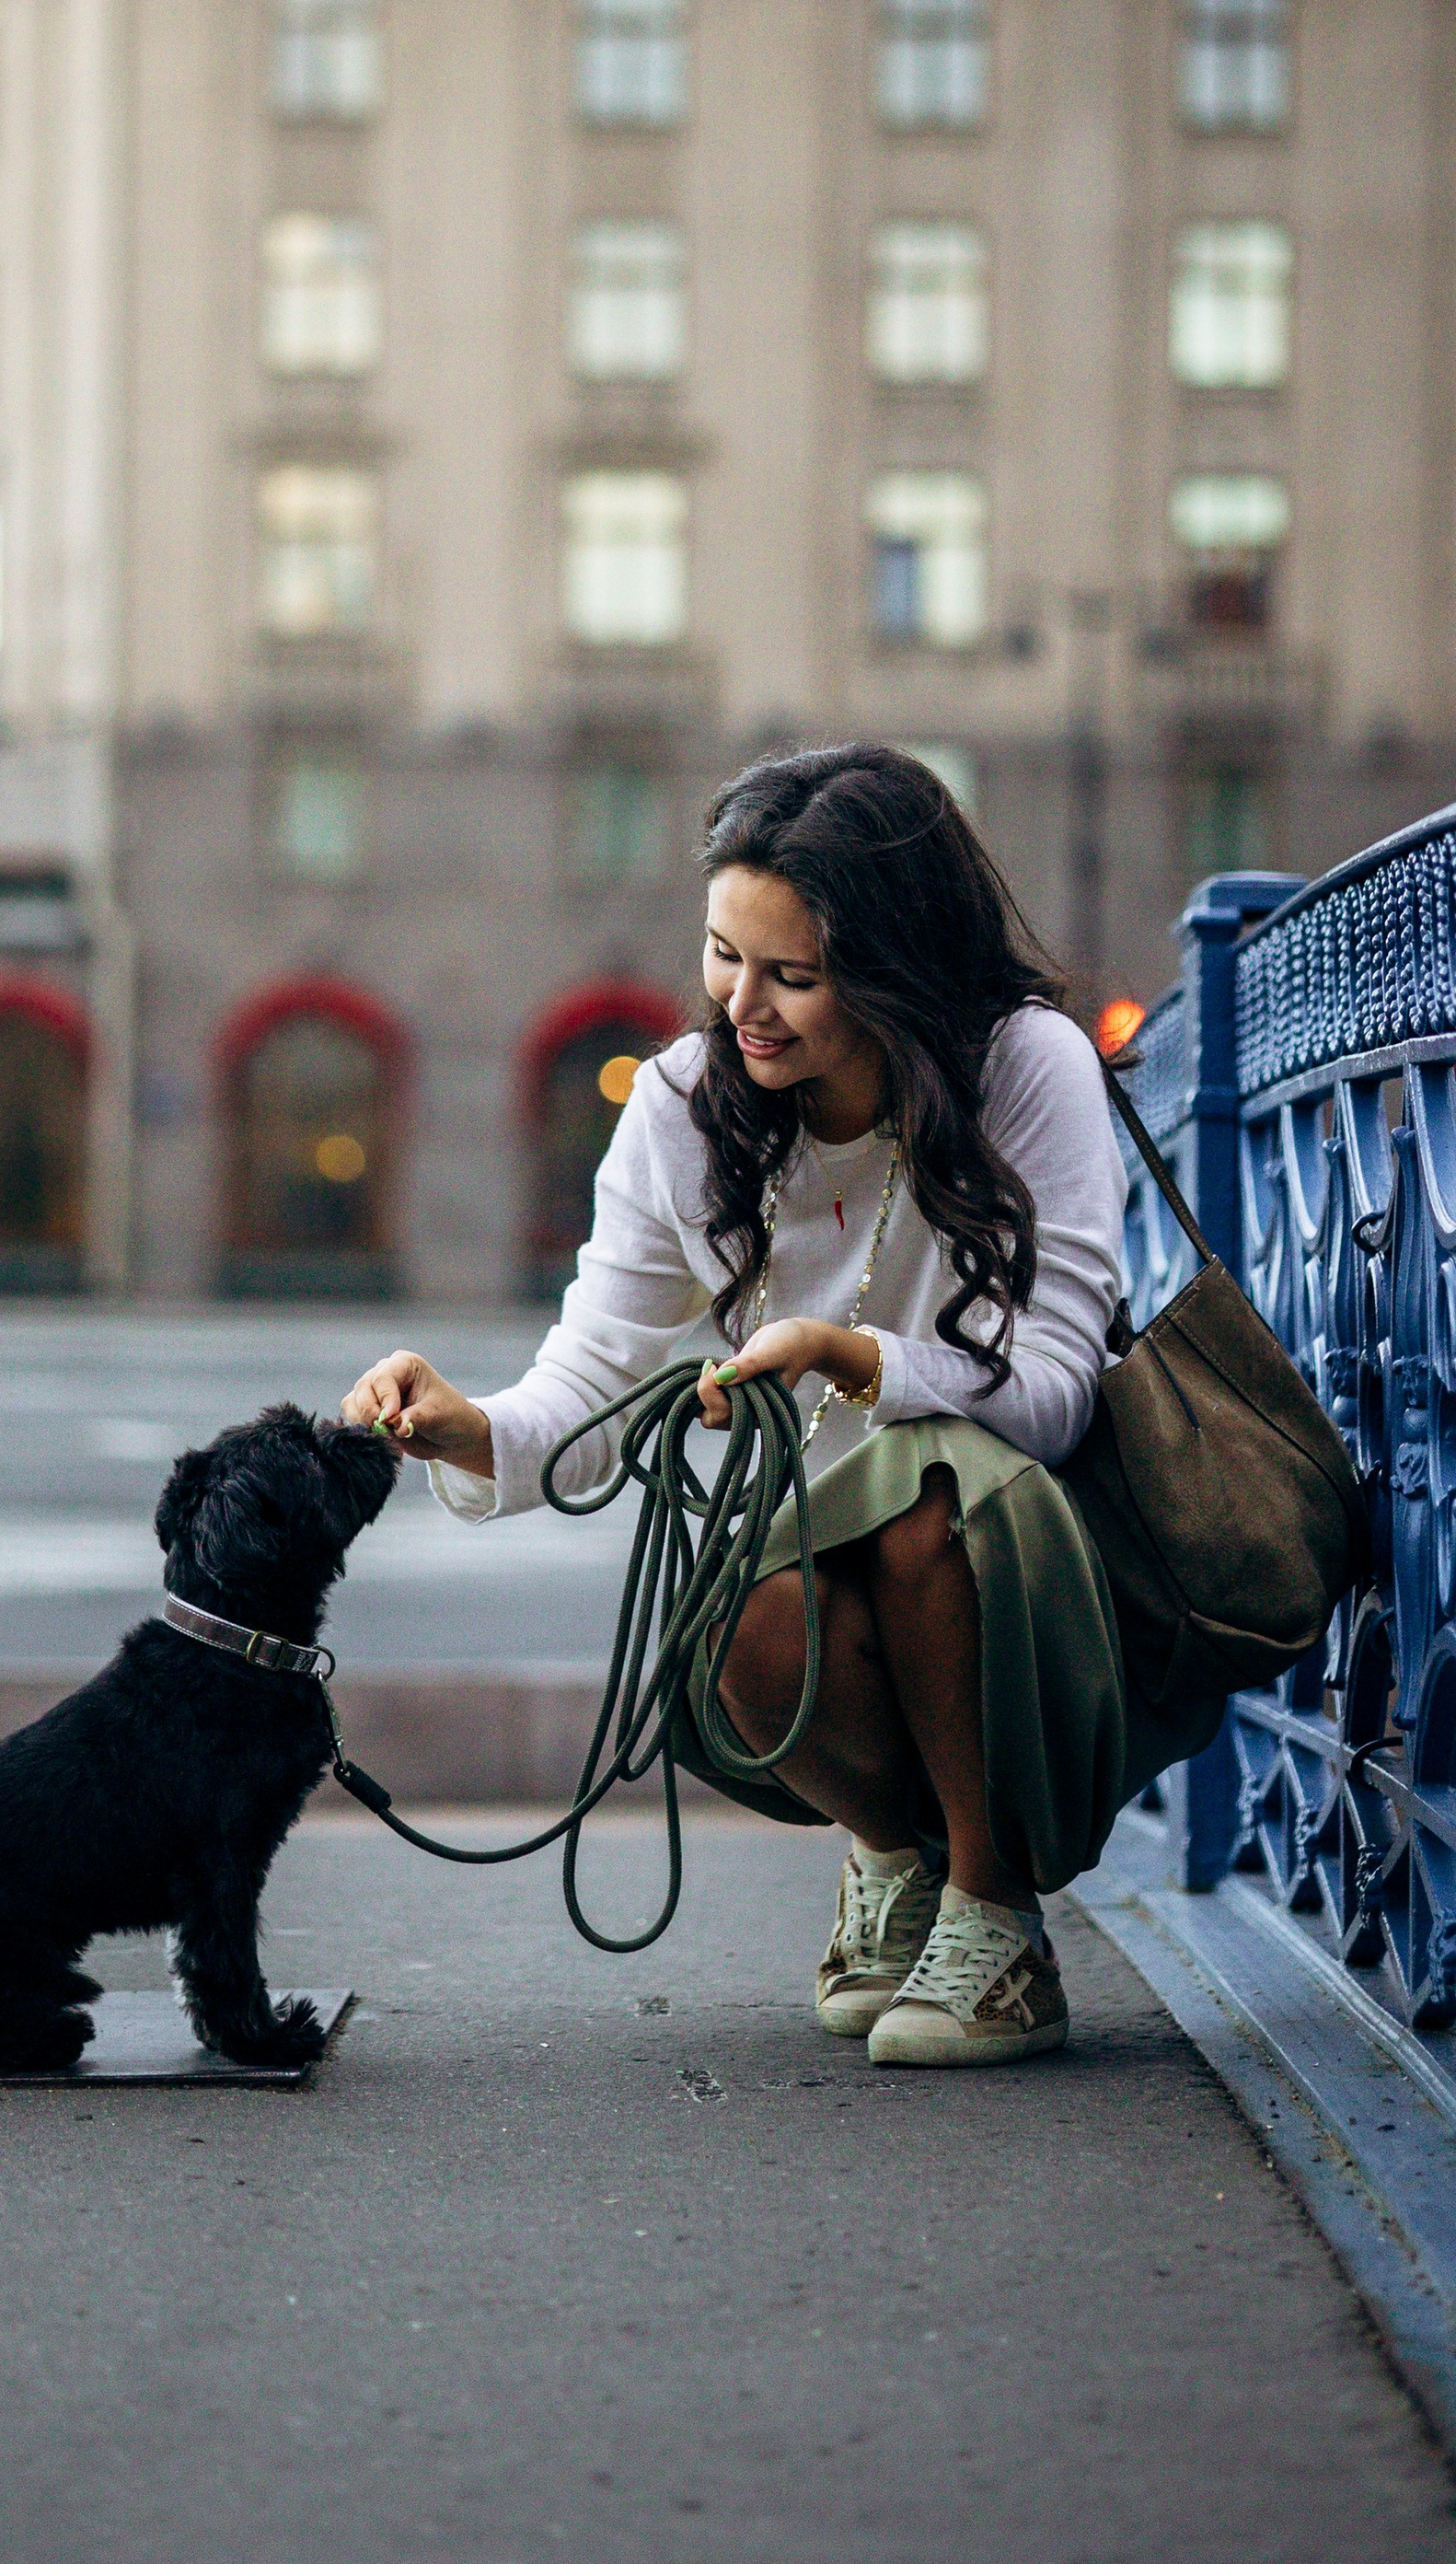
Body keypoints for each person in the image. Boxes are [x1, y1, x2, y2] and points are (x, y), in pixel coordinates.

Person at [341, 742, 1210, 2068]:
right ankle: (896, 1860)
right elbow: (595, 1377)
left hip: (1031, 1553)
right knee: (741, 1628)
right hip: (820, 1539)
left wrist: (858, 1360)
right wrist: (467, 1426)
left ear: (893, 965)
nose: (742, 1005)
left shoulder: (1027, 1064)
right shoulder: (682, 1107)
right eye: (721, 954)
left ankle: (996, 1918)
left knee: (926, 1495)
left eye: (791, 976)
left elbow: (1051, 1397)